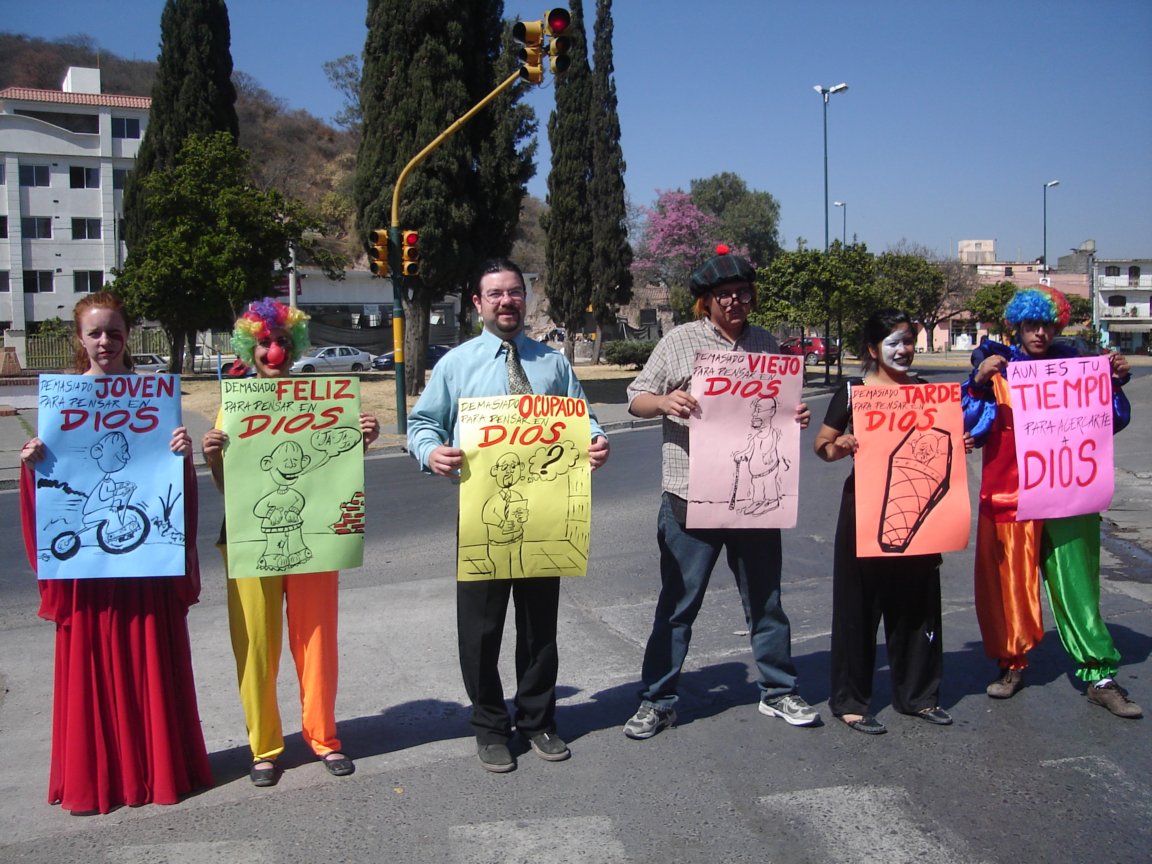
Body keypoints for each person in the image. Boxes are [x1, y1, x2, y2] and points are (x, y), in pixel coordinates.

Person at [407, 258, 610, 773]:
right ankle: (491, 726)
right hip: (482, 516)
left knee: (540, 627)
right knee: (480, 630)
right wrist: (431, 453)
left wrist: (596, 440)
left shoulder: (553, 363)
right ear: (478, 303)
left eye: (514, 292)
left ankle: (539, 720)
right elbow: (423, 424)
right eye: (494, 294)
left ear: (526, 298)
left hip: (547, 514)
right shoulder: (455, 365)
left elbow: (582, 417)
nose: (506, 302)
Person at [19, 291, 212, 814]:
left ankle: (159, 766)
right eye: (95, 333)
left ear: (128, 335)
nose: (106, 342)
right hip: (89, 570)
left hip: (144, 568)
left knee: (148, 652)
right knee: (95, 661)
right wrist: (32, 462)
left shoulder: (154, 395)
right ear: (80, 340)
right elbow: (48, 492)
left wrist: (181, 455)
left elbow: (175, 495)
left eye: (115, 331)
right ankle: (101, 775)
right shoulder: (61, 401)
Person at [621, 246, 818, 740]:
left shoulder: (767, 344)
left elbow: (783, 408)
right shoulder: (679, 342)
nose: (734, 302)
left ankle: (778, 690)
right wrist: (665, 400)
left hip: (756, 497)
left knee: (766, 599)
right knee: (678, 604)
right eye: (723, 295)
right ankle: (658, 699)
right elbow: (635, 398)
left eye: (743, 294)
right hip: (691, 493)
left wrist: (795, 415)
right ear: (705, 301)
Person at [202, 298, 381, 787]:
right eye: (265, 342)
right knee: (257, 646)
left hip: (314, 538)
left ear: (295, 346)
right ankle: (263, 748)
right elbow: (228, 490)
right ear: (250, 348)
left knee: (317, 640)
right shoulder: (232, 405)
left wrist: (360, 440)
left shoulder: (321, 400)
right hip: (245, 538)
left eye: (282, 341)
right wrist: (213, 456)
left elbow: (333, 476)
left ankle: (324, 738)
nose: (274, 351)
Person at [962, 285, 1140, 718]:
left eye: (1047, 325)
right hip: (1010, 497)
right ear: (1016, 326)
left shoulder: (1077, 365)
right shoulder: (996, 366)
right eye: (1031, 325)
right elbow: (970, 426)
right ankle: (1011, 664)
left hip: (1068, 495)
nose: (1039, 333)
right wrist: (979, 384)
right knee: (1009, 590)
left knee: (1078, 586)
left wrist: (1113, 382)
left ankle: (1099, 673)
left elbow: (1111, 421)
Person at [813, 309, 964, 735]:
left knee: (917, 608)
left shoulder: (927, 393)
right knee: (857, 609)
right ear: (873, 349)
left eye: (910, 342)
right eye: (895, 342)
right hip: (863, 512)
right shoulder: (853, 392)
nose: (905, 351)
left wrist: (960, 441)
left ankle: (918, 696)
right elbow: (821, 446)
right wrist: (840, 445)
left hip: (922, 518)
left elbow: (944, 446)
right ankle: (851, 701)